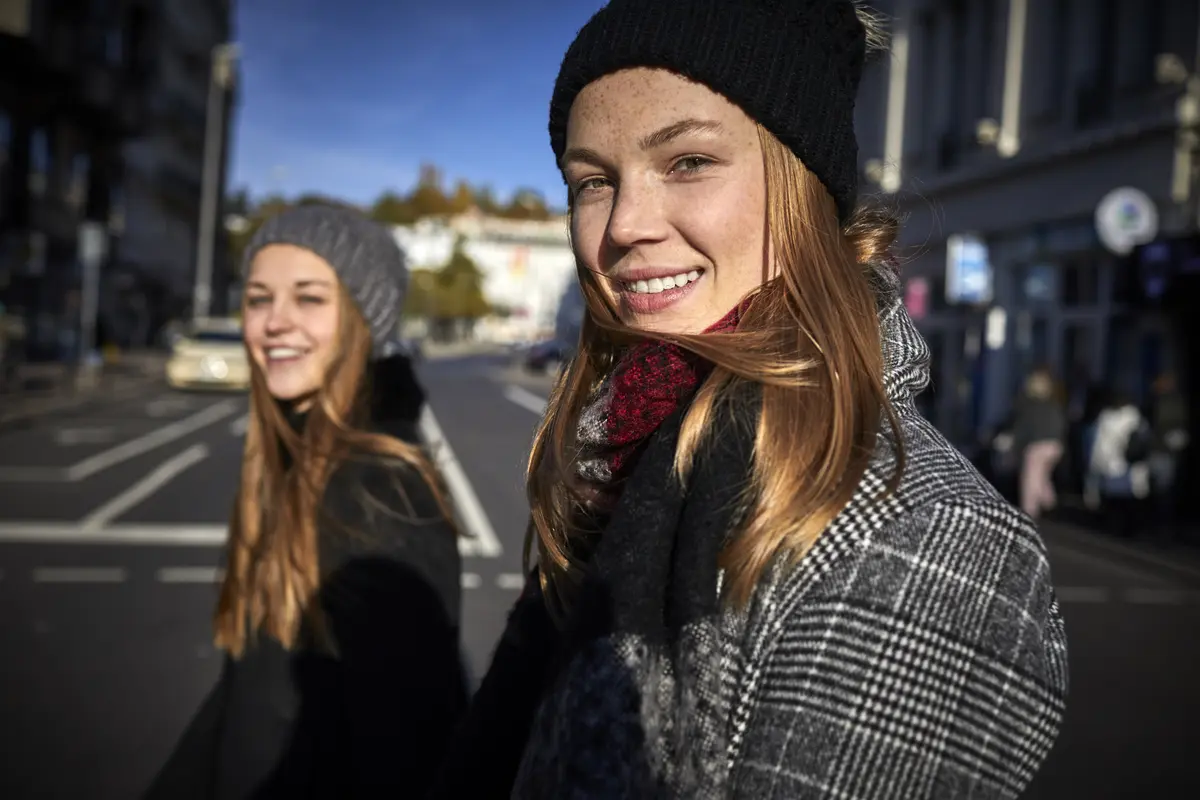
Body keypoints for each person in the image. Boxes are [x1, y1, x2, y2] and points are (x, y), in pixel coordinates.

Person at [430, 2, 1068, 798]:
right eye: (593, 181)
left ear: (804, 188)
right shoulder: (623, 460)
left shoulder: (923, 538)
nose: (624, 224)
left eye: (689, 161)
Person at [145, 204, 466, 799]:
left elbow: (406, 757)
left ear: (362, 322)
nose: (274, 321)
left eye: (310, 298)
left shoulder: (379, 495)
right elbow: (246, 700)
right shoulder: (302, 458)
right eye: (258, 298)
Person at [1013, 366, 1067, 520]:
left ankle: (1030, 511)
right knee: (1042, 475)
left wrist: (1017, 447)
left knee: (1031, 478)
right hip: (1055, 445)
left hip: (1037, 445)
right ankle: (1049, 502)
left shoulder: (1029, 406)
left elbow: (1023, 429)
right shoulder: (1054, 405)